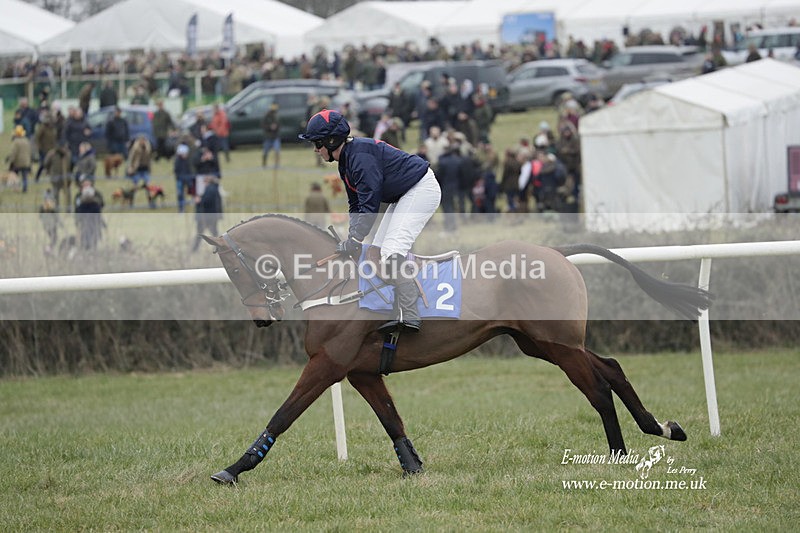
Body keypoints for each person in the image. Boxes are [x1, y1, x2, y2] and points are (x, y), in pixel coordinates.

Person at [299, 109, 441, 332]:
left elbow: (370, 205)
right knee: (377, 252)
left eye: (318, 143)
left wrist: (355, 238)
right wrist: (351, 237)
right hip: (404, 194)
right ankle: (393, 307)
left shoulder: (359, 158)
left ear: (332, 140)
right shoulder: (346, 161)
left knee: (392, 252)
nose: (316, 150)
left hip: (420, 189)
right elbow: (355, 205)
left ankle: (410, 314)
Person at [192, 175, 222, 252]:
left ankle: (194, 249)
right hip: (212, 216)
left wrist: (199, 201)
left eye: (204, 182)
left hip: (206, 216)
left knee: (200, 233)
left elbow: (206, 202)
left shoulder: (210, 189)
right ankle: (219, 247)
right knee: (214, 233)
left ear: (207, 181)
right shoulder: (214, 188)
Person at [74, 177, 104, 251]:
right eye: (84, 183)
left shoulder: (96, 194)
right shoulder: (78, 196)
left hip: (94, 221)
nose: (86, 185)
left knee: (94, 239)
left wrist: (94, 200)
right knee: (84, 240)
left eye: (88, 183)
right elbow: (77, 209)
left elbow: (102, 204)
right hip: (84, 222)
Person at [7, 125, 32, 193]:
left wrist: (11, 161)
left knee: (15, 176)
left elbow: (13, 153)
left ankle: (16, 188)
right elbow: (29, 152)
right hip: (26, 162)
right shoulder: (27, 140)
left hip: (17, 163)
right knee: (24, 177)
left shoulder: (16, 142)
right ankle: (25, 189)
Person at [174, 143, 194, 213]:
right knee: (180, 194)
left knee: (192, 190)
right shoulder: (177, 161)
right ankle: (181, 209)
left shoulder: (188, 161)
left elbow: (190, 170)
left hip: (187, 178)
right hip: (180, 179)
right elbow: (176, 171)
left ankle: (192, 201)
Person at [261, 102, 281, 168]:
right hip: (268, 136)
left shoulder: (277, 115)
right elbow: (263, 125)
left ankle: (277, 165)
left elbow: (279, 125)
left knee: (277, 151)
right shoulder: (266, 115)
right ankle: (264, 164)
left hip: (275, 136)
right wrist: (270, 127)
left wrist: (276, 127)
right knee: (265, 151)